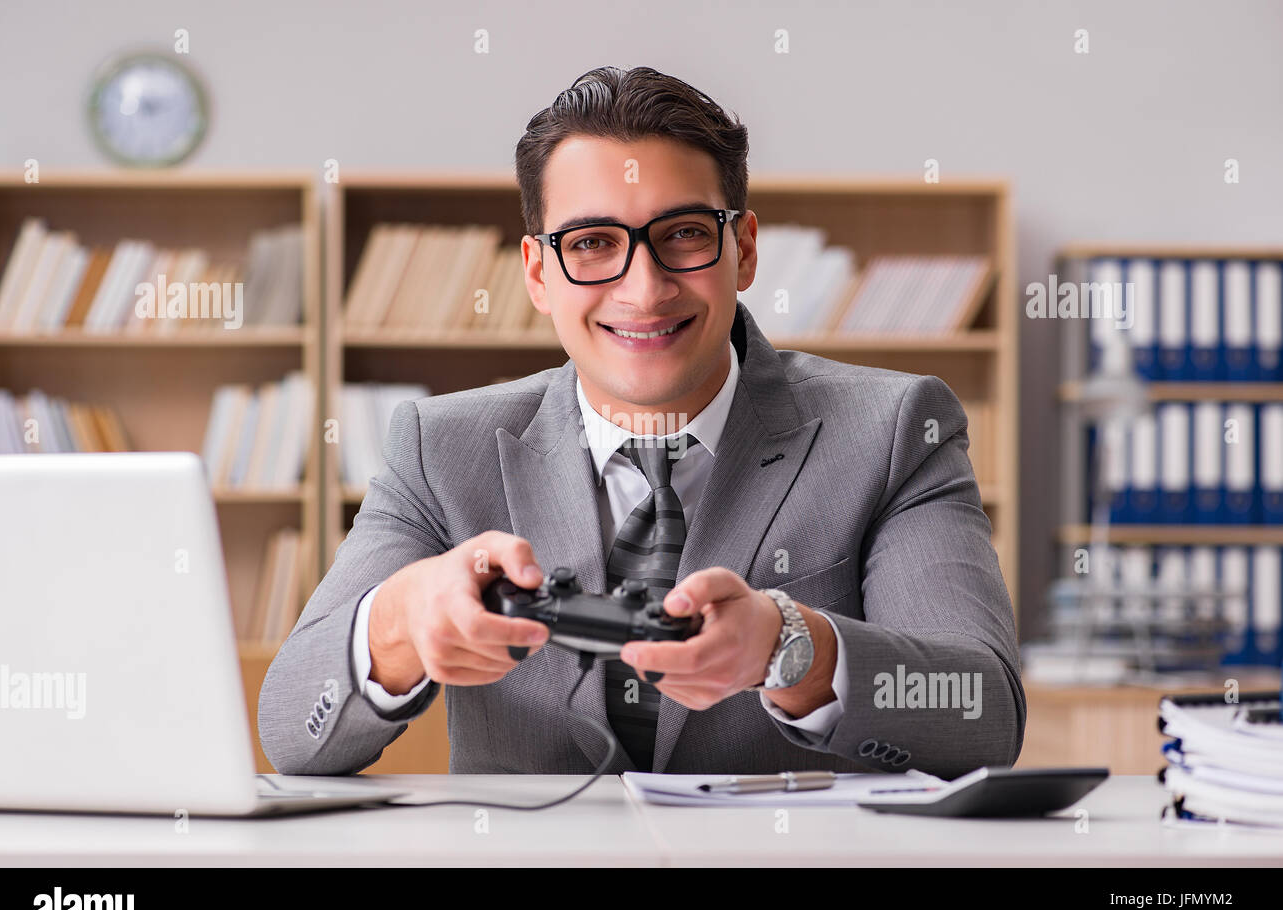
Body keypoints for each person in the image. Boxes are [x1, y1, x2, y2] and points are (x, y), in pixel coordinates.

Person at [259, 65, 1024, 778]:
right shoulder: (440, 448)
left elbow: (980, 710)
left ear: (743, 249)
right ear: (536, 272)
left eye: (684, 233)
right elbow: (291, 728)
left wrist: (794, 645)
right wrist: (399, 623)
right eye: (592, 243)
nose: (644, 288)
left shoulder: (892, 430)